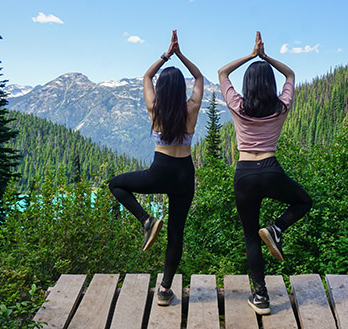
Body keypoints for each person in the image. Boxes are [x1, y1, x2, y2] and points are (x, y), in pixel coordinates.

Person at [218, 31, 312, 315]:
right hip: (271, 170)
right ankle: (276, 228)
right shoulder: (281, 107)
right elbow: (291, 74)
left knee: (250, 237)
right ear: (270, 84)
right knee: (303, 202)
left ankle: (261, 297)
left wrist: (251, 54)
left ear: (247, 84)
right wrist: (265, 56)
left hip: (244, 173)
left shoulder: (238, 105)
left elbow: (222, 72)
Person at [109, 30, 203, 306]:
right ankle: (164, 290)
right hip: (185, 174)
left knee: (116, 184)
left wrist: (166, 55)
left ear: (162, 89)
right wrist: (181, 55)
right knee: (176, 233)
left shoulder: (155, 108)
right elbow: (198, 78)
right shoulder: (192, 108)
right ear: (181, 90)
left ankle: (147, 221)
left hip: (159, 171)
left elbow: (146, 77)